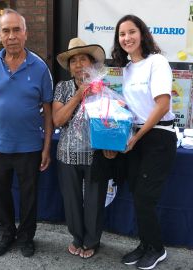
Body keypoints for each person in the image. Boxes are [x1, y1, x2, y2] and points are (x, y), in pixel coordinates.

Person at [0, 8, 53, 258]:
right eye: (6, 31)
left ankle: (27, 237)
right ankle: (5, 235)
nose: (12, 36)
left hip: (29, 147)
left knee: (29, 197)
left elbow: (48, 112)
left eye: (16, 29)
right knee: (0, 195)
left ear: (25, 33)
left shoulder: (39, 67)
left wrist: (47, 147)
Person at [111, 14, 177, 270]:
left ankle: (157, 249)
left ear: (142, 34)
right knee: (137, 194)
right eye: (122, 34)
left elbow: (162, 106)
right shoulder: (127, 69)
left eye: (131, 32)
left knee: (145, 197)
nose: (127, 38)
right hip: (136, 136)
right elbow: (135, 108)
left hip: (158, 136)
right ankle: (145, 243)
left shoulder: (157, 62)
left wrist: (136, 137)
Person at [53, 37, 108, 259]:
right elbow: (57, 120)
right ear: (69, 67)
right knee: (72, 199)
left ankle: (92, 240)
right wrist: (79, 95)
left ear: (92, 63)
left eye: (82, 59)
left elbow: (111, 119)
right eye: (73, 60)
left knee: (95, 200)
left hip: (96, 155)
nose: (78, 64)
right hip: (67, 154)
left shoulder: (103, 87)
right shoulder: (62, 88)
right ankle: (77, 237)